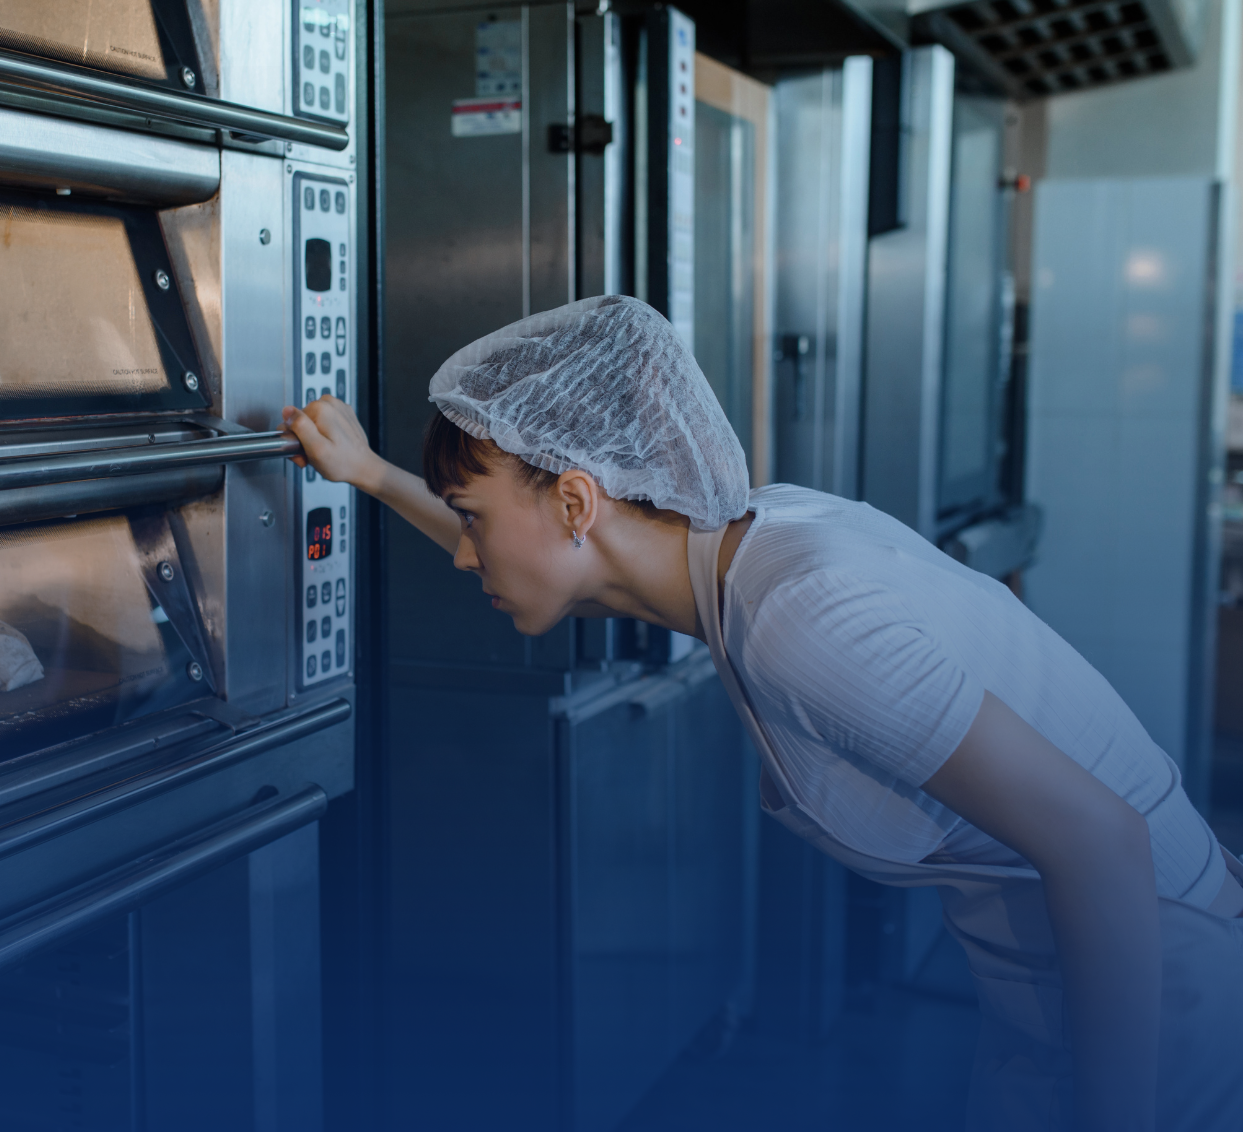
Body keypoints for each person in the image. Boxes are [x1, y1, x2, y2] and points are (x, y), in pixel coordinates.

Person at [281, 294, 1243, 1132]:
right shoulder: (746, 545)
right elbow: (548, 560)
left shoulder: (796, 616)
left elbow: (1102, 841)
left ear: (577, 501)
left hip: (1153, 997)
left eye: (473, 520)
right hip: (1079, 986)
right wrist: (368, 475)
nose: (464, 553)